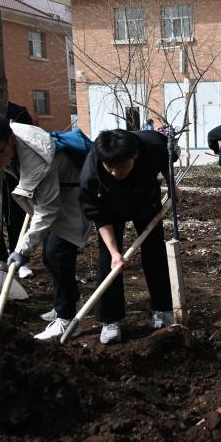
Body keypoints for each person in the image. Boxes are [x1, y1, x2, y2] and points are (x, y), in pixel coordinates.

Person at [0, 113, 90, 341]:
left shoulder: (38, 160)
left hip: (73, 197)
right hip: (55, 193)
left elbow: (47, 211)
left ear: (11, 140)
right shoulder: (9, 139)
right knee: (51, 256)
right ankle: (69, 302)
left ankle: (67, 320)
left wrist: (22, 250)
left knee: (57, 254)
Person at [79, 128, 174, 344]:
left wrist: (171, 182)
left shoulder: (151, 145)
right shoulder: (91, 174)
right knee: (109, 260)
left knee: (155, 252)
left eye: (122, 166)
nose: (115, 172)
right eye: (109, 167)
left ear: (135, 156)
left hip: (145, 200)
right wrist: (115, 253)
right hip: (110, 207)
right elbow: (98, 215)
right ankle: (110, 319)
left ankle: (162, 308)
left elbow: (165, 159)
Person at [1, 101, 34, 277]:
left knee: (16, 216)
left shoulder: (17, 112)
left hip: (14, 174)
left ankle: (20, 259)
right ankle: (0, 259)